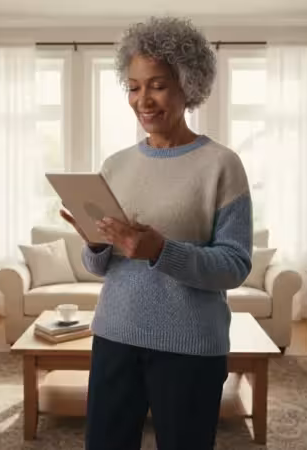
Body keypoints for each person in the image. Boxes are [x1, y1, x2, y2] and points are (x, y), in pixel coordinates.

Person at [60, 16, 253, 450]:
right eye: (133, 86)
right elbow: (101, 266)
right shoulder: (116, 164)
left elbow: (236, 265)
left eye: (157, 85)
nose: (143, 99)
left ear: (189, 84)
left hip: (190, 346)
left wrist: (160, 250)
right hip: (114, 335)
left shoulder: (221, 165)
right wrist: (94, 241)